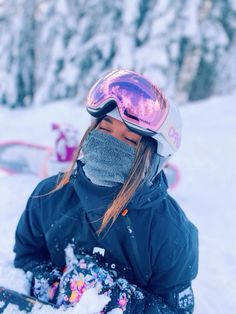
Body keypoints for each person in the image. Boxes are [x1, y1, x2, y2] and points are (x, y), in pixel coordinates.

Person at [13, 70, 199, 313]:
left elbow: (175, 309)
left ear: (154, 158)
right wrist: (56, 286)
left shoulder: (171, 232)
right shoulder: (49, 196)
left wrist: (123, 302)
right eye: (104, 129)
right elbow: (27, 257)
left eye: (130, 140)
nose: (110, 144)